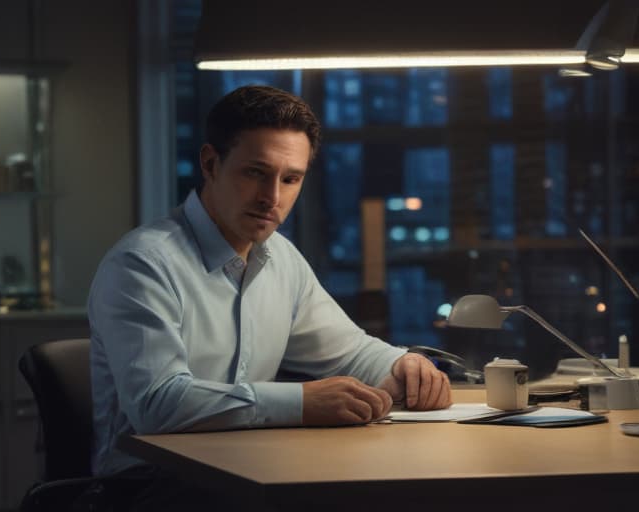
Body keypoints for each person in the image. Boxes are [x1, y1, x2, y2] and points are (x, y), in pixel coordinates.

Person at [85, 85, 451, 508]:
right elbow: (158, 404)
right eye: (255, 173)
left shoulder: (281, 258)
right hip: (146, 488)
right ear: (210, 163)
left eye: (290, 179)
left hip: (244, 469)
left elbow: (347, 351)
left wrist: (403, 364)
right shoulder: (142, 264)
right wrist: (301, 403)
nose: (272, 198)